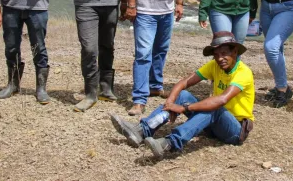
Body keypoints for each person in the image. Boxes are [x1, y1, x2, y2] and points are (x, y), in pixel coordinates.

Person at [109, 31, 254, 159]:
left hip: (234, 130)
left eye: (224, 54)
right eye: (216, 55)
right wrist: (171, 102)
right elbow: (184, 82)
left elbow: (221, 100)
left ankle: (170, 143)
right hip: (212, 125)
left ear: (235, 52)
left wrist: (185, 108)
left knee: (214, 106)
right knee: (183, 94)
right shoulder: (214, 66)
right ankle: (143, 130)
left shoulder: (243, 72)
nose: (219, 58)